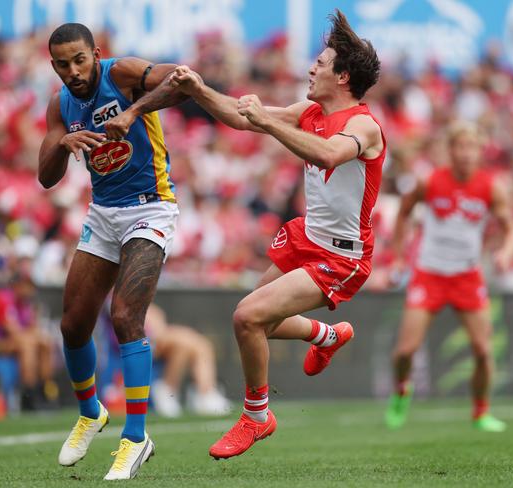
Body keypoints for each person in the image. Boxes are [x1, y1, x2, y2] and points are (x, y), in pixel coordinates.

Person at [169, 10, 385, 459]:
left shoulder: (363, 124)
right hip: (309, 237)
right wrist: (199, 89)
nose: (311, 68)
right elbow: (244, 116)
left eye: (321, 64)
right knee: (256, 321)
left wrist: (269, 124)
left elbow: (328, 155)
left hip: (342, 258)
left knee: (247, 318)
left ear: (343, 77)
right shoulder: (308, 111)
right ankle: (326, 336)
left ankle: (256, 416)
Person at [38, 23, 187, 480]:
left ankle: (136, 438)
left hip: (151, 208)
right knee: (73, 323)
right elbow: (45, 177)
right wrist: (63, 145)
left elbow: (181, 80)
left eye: (80, 60)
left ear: (94, 54)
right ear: (54, 66)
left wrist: (133, 111)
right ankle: (90, 412)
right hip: (103, 214)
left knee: (125, 317)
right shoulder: (61, 105)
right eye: (63, 64)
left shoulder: (121, 72)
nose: (73, 71)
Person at [385, 121, 513, 432]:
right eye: (460, 147)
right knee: (405, 350)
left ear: (480, 152)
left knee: (484, 351)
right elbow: (403, 213)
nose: (466, 154)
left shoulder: (490, 187)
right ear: (450, 150)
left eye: (472, 148)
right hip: (429, 273)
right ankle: (402, 389)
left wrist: (506, 253)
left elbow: (510, 228)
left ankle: (481, 411)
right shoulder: (430, 181)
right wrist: (399, 258)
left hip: (467, 276)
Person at [99, 301, 231, 418]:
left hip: (148, 338)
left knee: (199, 345)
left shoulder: (131, 290)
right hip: (133, 343)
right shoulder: (110, 295)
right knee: (184, 341)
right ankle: (174, 390)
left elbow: (151, 312)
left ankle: (204, 393)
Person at [0, 272, 56, 411]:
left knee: (45, 344)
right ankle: (29, 397)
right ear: (17, 286)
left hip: (8, 343)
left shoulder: (24, 304)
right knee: (27, 345)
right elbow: (15, 333)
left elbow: (32, 330)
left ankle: (45, 390)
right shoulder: (2, 299)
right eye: (27, 286)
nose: (31, 291)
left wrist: (37, 332)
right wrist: (34, 336)